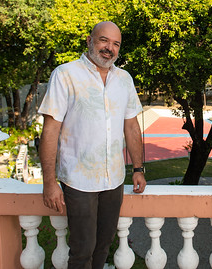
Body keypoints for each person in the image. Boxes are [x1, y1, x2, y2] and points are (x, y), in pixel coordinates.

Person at [38, 21, 146, 268]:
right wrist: (49, 182)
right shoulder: (65, 74)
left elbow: (131, 126)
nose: (109, 48)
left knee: (104, 246)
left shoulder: (124, 79)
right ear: (90, 40)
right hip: (79, 181)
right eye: (104, 40)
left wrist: (138, 169)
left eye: (116, 44)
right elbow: (50, 130)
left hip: (114, 180)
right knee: (82, 250)